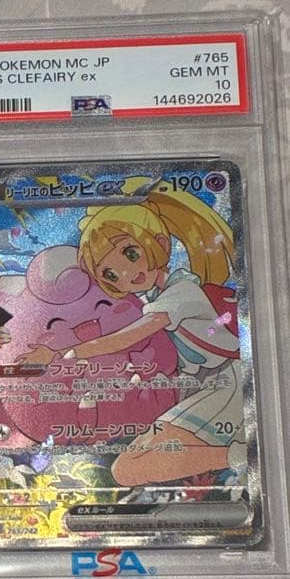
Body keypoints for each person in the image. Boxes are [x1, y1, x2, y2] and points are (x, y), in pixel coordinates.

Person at [12, 179, 244, 487]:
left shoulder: (182, 292)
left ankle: (242, 454)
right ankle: (238, 453)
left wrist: (67, 353)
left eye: (130, 254)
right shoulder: (149, 298)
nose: (124, 274)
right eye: (110, 274)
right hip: (194, 386)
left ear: (160, 244)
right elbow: (110, 328)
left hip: (226, 384)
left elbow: (128, 336)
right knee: (127, 467)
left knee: (128, 469)